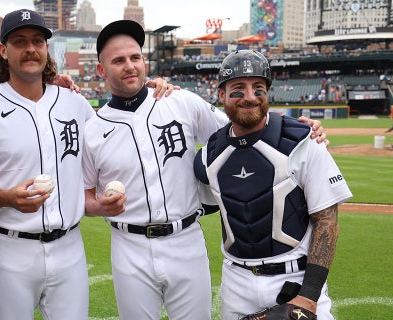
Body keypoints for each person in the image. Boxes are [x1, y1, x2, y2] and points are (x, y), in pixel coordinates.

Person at [82, 21, 328, 320]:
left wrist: (298, 128)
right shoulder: (92, 130)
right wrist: (98, 205)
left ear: (144, 60)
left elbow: (243, 124)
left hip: (185, 239)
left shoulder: (180, 102)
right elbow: (84, 197)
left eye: (135, 57)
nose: (130, 66)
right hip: (128, 244)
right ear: (101, 70)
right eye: (118, 60)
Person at [0, 11, 174, 320]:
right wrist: (7, 198)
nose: (31, 49)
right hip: (8, 248)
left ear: (47, 49)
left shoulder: (74, 103)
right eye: (20, 42)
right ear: (3, 50)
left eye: (38, 41)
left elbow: (114, 141)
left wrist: (159, 89)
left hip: (69, 247)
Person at [193, 50, 353, 320]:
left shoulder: (303, 141)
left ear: (268, 92)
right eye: (238, 88)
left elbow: (327, 220)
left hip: (297, 279)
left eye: (259, 88)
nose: (250, 97)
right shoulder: (208, 155)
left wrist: (309, 296)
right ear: (221, 95)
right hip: (236, 283)